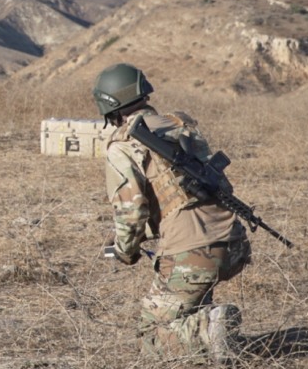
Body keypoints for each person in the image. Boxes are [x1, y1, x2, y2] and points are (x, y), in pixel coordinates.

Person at [93, 62, 252, 363]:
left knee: (151, 340)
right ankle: (202, 316)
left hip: (192, 253)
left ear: (109, 105)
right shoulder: (180, 123)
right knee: (187, 298)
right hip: (233, 242)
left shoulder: (122, 146)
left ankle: (208, 328)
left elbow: (131, 212)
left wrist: (125, 252)